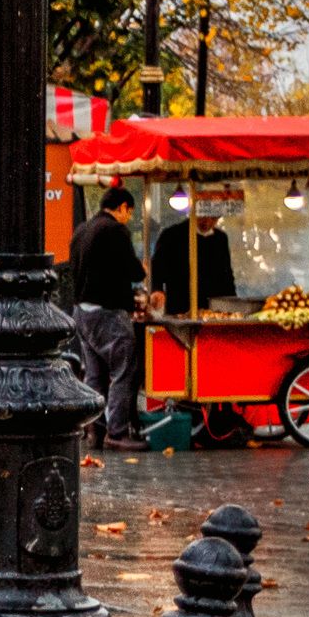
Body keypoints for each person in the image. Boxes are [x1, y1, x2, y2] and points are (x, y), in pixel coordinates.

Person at [72, 183, 147, 448]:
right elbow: (134, 272)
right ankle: (117, 432)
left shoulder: (82, 230)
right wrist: (142, 271)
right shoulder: (115, 230)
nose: (129, 217)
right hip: (108, 313)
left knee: (94, 374)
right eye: (130, 212)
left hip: (82, 312)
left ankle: (95, 429)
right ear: (123, 207)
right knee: (123, 370)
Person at [148, 202, 237, 316]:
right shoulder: (171, 235)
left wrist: (233, 303)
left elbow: (227, 274)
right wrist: (157, 289)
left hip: (215, 309)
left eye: (213, 218)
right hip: (180, 305)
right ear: (193, 214)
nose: (207, 221)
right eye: (203, 216)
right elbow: (157, 266)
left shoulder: (221, 238)